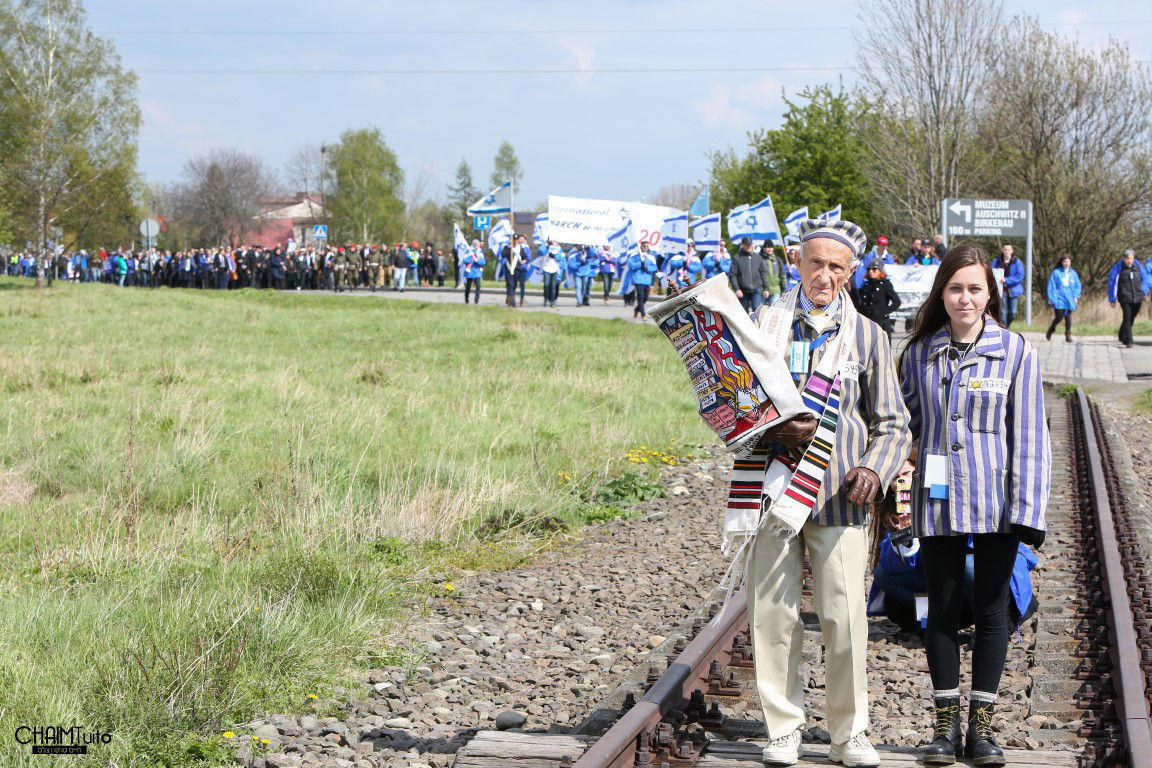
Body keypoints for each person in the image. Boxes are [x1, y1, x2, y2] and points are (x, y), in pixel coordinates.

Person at [739, 218, 911, 768]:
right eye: (816, 263)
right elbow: (728, 407)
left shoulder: (869, 336)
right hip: (771, 492)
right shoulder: (762, 325)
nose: (825, 275)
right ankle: (784, 729)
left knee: (843, 617)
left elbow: (893, 423)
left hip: (840, 496)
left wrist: (874, 471)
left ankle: (849, 734)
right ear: (797, 262)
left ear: (852, 272)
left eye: (837, 267)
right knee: (772, 614)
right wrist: (769, 431)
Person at [898, 243, 1050, 766]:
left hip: (996, 502)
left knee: (991, 612)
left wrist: (1028, 512)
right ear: (942, 292)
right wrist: (899, 477)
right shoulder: (919, 354)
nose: (965, 299)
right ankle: (943, 731)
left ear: (991, 293)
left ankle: (980, 733)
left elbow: (1030, 434)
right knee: (939, 609)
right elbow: (906, 428)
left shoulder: (1016, 351)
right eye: (956, 288)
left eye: (975, 289)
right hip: (937, 501)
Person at [1108, 249, 1148, 348]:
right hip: (1124, 297)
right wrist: (1112, 299)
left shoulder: (1139, 267)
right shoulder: (1117, 268)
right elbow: (1112, 284)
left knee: (1131, 318)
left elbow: (1145, 280)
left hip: (1138, 297)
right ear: (1123, 258)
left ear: (1133, 258)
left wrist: (1143, 292)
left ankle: (1122, 334)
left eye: (1130, 258)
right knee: (1127, 317)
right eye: (1127, 258)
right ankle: (1129, 340)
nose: (1128, 260)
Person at [852, 259, 902, 337]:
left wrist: (883, 312)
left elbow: (897, 302)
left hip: (880, 322)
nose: (871, 271)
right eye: (869, 269)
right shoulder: (866, 285)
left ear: (880, 271)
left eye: (874, 269)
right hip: (866, 321)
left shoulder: (885, 285)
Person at [727, 236, 771, 314]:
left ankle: (757, 326)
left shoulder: (758, 257)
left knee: (757, 311)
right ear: (742, 245)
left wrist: (766, 288)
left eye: (750, 244)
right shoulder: (737, 258)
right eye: (746, 244)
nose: (749, 246)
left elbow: (763, 273)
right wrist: (736, 289)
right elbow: (733, 275)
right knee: (742, 313)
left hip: (757, 288)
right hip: (742, 290)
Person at [1045, 254, 1081, 342]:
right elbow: (1051, 286)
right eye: (1065, 261)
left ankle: (1068, 335)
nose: (1067, 263)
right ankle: (1051, 329)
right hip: (1059, 299)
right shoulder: (1056, 273)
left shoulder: (1073, 274)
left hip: (1069, 300)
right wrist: (1053, 299)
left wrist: (1076, 296)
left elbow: (1077, 286)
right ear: (1062, 262)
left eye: (1068, 261)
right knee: (1059, 316)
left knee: (1068, 318)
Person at [991, 245, 1024, 327]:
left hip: (1013, 290)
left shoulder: (1017, 262)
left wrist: (1007, 280)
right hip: (1001, 290)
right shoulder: (997, 261)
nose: (1007, 251)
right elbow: (991, 272)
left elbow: (1020, 276)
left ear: (1012, 251)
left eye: (1008, 249)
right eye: (1005, 249)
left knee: (1013, 312)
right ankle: (1004, 329)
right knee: (1003, 312)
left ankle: (1006, 326)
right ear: (1002, 250)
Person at [627, 241, 658, 319]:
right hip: (637, 279)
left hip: (647, 280)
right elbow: (631, 265)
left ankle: (637, 309)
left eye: (647, 246)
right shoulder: (634, 256)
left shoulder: (650, 257)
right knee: (640, 297)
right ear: (641, 246)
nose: (646, 248)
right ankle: (643, 314)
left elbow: (654, 268)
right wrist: (640, 263)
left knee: (646, 297)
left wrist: (647, 268)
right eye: (644, 246)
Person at [461, 239, 485, 304]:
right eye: (477, 245)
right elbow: (465, 260)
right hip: (470, 272)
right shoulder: (468, 251)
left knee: (478, 286)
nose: (479, 246)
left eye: (479, 245)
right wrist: (472, 259)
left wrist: (477, 260)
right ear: (474, 245)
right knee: (468, 286)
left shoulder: (480, 252)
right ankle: (466, 299)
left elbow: (483, 262)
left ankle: (476, 300)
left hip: (477, 272)